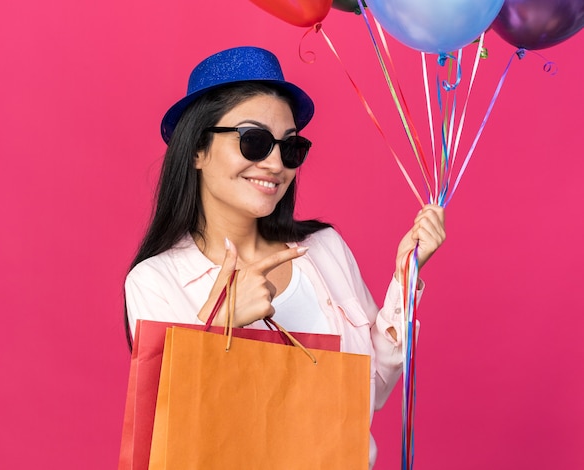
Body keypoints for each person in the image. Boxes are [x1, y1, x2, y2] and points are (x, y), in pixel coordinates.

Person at [124, 46, 445, 468]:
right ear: (197, 150)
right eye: (254, 141)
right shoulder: (155, 281)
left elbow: (373, 390)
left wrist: (405, 278)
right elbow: (177, 436)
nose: (276, 163)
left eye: (290, 147)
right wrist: (221, 325)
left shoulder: (325, 248)